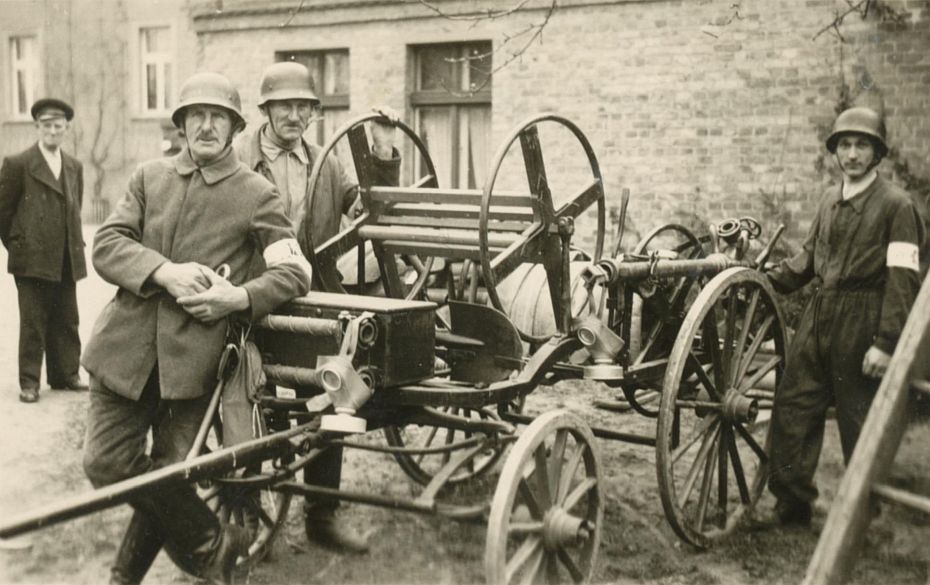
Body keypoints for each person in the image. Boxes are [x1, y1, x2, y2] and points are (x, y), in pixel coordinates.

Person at [81, 72, 311, 585]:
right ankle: (214, 546)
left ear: (234, 127)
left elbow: (295, 271)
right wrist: (163, 270)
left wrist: (240, 297)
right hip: (123, 357)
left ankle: (123, 578)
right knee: (106, 464)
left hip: (194, 367)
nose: (206, 126)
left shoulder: (256, 193)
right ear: (181, 124)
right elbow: (108, 243)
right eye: (196, 116)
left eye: (218, 117)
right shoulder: (148, 177)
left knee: (169, 475)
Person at [235, 60, 400, 554]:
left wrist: (383, 148)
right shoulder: (238, 158)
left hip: (316, 296)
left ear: (313, 112)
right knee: (253, 403)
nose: (295, 115)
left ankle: (321, 516)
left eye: (303, 106)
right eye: (284, 106)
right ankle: (247, 516)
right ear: (266, 110)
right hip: (255, 295)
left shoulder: (325, 161)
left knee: (333, 395)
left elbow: (368, 205)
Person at [765, 106, 925, 526]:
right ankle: (792, 502)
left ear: (877, 153)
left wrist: (887, 343)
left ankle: (859, 516)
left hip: (864, 319)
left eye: (862, 145)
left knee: (858, 418)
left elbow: (903, 280)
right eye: (845, 145)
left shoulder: (897, 206)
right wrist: (765, 279)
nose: (852, 154)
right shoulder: (829, 199)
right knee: (793, 405)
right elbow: (807, 259)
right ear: (835, 152)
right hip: (820, 315)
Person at [0, 98, 87, 403]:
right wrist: (18, 245)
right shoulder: (18, 164)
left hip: (66, 257)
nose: (53, 131)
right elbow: (3, 211)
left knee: (67, 318)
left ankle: (66, 375)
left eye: (58, 126)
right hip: (32, 259)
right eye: (47, 125)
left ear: (66, 129)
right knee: (33, 321)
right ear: (37, 127)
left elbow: (75, 208)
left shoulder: (74, 166)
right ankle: (29, 383)